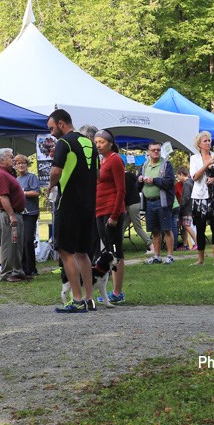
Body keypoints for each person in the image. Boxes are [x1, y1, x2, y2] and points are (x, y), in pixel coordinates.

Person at [47, 108, 99, 313]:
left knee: (66, 251)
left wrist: (51, 185)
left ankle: (76, 299)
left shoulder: (64, 142)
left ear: (61, 123)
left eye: (52, 128)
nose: (51, 133)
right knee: (82, 252)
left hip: (68, 204)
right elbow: (98, 174)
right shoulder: (90, 142)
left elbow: (56, 171)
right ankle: (89, 298)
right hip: (88, 205)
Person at [94, 129, 127, 304]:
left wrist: (114, 215)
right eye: (96, 142)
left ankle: (117, 292)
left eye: (101, 142)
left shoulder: (115, 160)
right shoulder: (101, 161)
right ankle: (110, 290)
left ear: (110, 143)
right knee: (108, 250)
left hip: (111, 210)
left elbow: (121, 189)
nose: (98, 145)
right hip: (100, 210)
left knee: (115, 252)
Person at [0, 148, 27, 282]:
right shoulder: (1, 175)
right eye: (11, 157)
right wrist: (11, 215)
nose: (13, 159)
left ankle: (17, 271)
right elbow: (3, 197)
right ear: (2, 160)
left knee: (15, 244)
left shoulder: (6, 173)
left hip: (11, 213)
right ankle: (7, 273)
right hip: (6, 214)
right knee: (8, 245)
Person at [139, 141, 176, 265]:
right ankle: (157, 256)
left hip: (163, 202)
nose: (156, 152)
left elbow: (169, 182)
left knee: (167, 229)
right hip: (149, 202)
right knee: (154, 231)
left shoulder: (166, 165)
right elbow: (137, 185)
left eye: (158, 150)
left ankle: (170, 256)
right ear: (148, 152)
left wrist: (153, 180)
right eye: (153, 150)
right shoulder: (145, 166)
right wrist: (140, 179)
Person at [189, 131, 214, 267]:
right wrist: (206, 164)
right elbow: (195, 177)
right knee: (200, 228)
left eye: (209, 140)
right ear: (199, 144)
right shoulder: (194, 159)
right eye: (205, 141)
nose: (208, 143)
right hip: (200, 198)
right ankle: (200, 259)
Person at [14, 154, 41, 277]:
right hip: (19, 213)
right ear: (15, 166)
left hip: (30, 213)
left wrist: (22, 193)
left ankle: (31, 268)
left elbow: (36, 192)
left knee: (28, 240)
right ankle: (24, 267)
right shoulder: (15, 180)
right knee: (21, 241)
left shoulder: (31, 177)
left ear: (27, 164)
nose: (21, 165)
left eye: (23, 163)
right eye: (18, 163)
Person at [176, 166, 197, 251]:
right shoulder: (191, 181)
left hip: (187, 209)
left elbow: (186, 197)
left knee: (186, 225)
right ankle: (195, 242)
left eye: (178, 176)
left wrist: (181, 206)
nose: (178, 178)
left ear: (181, 174)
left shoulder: (186, 183)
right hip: (191, 207)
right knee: (186, 225)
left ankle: (197, 242)